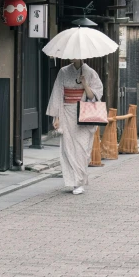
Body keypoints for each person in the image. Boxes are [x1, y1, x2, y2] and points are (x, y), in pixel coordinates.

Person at [46, 60, 103, 195]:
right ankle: (74, 182)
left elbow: (94, 97)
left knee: (82, 150)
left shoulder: (90, 72)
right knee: (68, 148)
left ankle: (80, 181)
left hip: (83, 113)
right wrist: (57, 116)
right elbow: (57, 94)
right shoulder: (63, 71)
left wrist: (85, 85)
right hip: (66, 113)